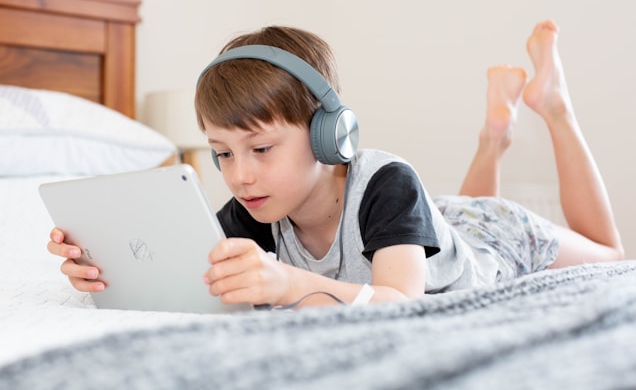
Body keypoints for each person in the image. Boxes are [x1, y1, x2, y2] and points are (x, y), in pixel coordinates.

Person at [47, 20, 624, 309]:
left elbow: (398, 302)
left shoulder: (389, 181)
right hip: (436, 228)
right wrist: (102, 272)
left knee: (612, 254)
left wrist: (293, 282)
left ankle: (554, 106)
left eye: (261, 149)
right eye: (222, 153)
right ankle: (495, 135)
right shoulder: (251, 207)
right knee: (454, 217)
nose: (239, 174)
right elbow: (191, 286)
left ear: (330, 136)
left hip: (494, 241)